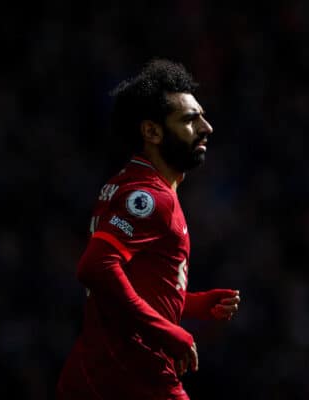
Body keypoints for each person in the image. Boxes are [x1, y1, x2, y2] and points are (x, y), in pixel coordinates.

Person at [56, 59, 241, 400]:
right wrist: (168, 333)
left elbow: (128, 285)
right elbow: (96, 268)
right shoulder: (150, 197)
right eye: (189, 119)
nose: (207, 127)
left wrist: (193, 304)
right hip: (136, 374)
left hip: (96, 370)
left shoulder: (128, 184)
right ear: (152, 132)